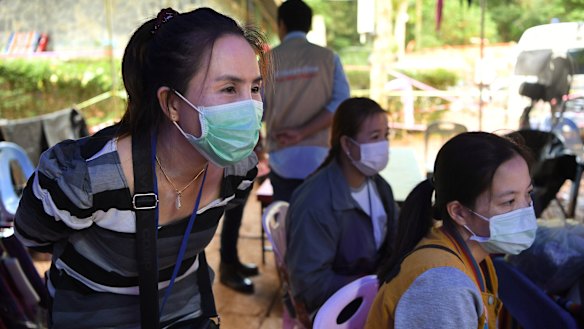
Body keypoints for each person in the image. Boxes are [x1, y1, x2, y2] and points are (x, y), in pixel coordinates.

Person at [14, 7, 269, 329]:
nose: (249, 107)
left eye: (255, 88)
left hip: (187, 314)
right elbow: (32, 235)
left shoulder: (239, 171)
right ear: (172, 104)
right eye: (229, 89)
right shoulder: (85, 178)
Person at [365, 132, 538, 329]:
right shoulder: (444, 287)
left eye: (528, 193)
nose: (525, 209)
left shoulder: (475, 256)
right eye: (509, 202)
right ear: (459, 212)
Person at [285, 97, 399, 320]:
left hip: (370, 295)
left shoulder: (377, 185)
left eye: (386, 136)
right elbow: (310, 284)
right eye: (375, 137)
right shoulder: (315, 202)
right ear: (347, 144)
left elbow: (395, 240)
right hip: (334, 308)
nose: (383, 145)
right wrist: (374, 286)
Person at [264, 0, 350, 202]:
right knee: (320, 225)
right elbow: (340, 105)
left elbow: (255, 107)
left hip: (281, 157)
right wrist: (302, 133)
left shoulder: (267, 60)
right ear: (309, 26)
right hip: (321, 158)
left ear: (281, 24)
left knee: (285, 224)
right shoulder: (329, 58)